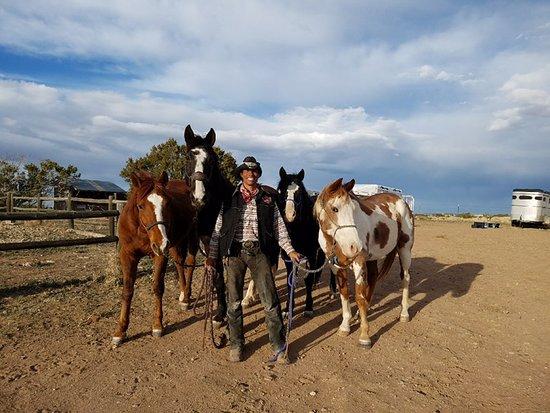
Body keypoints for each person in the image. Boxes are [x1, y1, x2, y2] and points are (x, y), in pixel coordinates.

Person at [205, 156, 301, 363]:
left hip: (260, 253)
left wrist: (290, 250)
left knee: (271, 302)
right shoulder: (229, 198)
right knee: (233, 304)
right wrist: (212, 256)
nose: (251, 174)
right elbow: (218, 229)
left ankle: (278, 345)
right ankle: (237, 344)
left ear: (258, 174)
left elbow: (279, 227)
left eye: (255, 171)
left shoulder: (268, 199)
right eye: (247, 171)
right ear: (241, 174)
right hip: (234, 254)